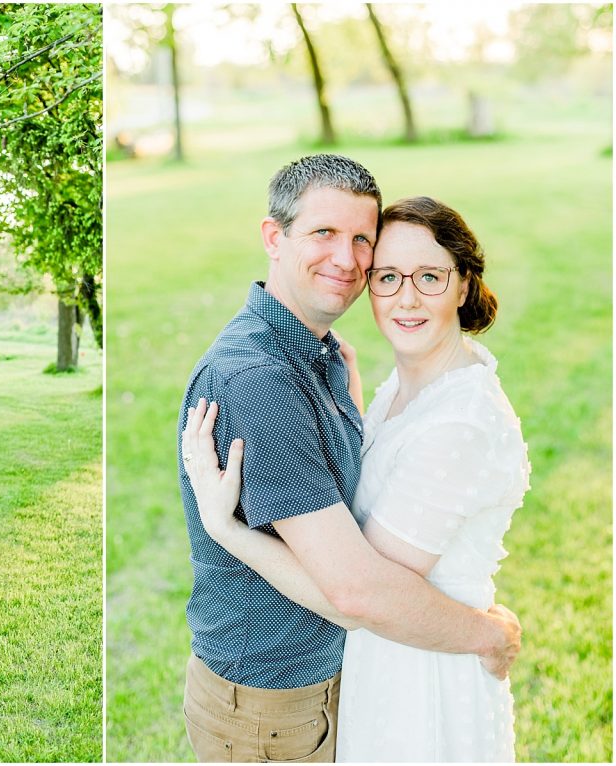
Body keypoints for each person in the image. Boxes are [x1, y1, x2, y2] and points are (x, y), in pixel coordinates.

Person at [176, 155, 523, 763]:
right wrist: (489, 634)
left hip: (368, 675)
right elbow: (355, 592)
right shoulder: (259, 379)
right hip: (274, 698)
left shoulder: (329, 355)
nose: (347, 259)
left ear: (463, 283)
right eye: (324, 233)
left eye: (362, 240)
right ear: (273, 237)